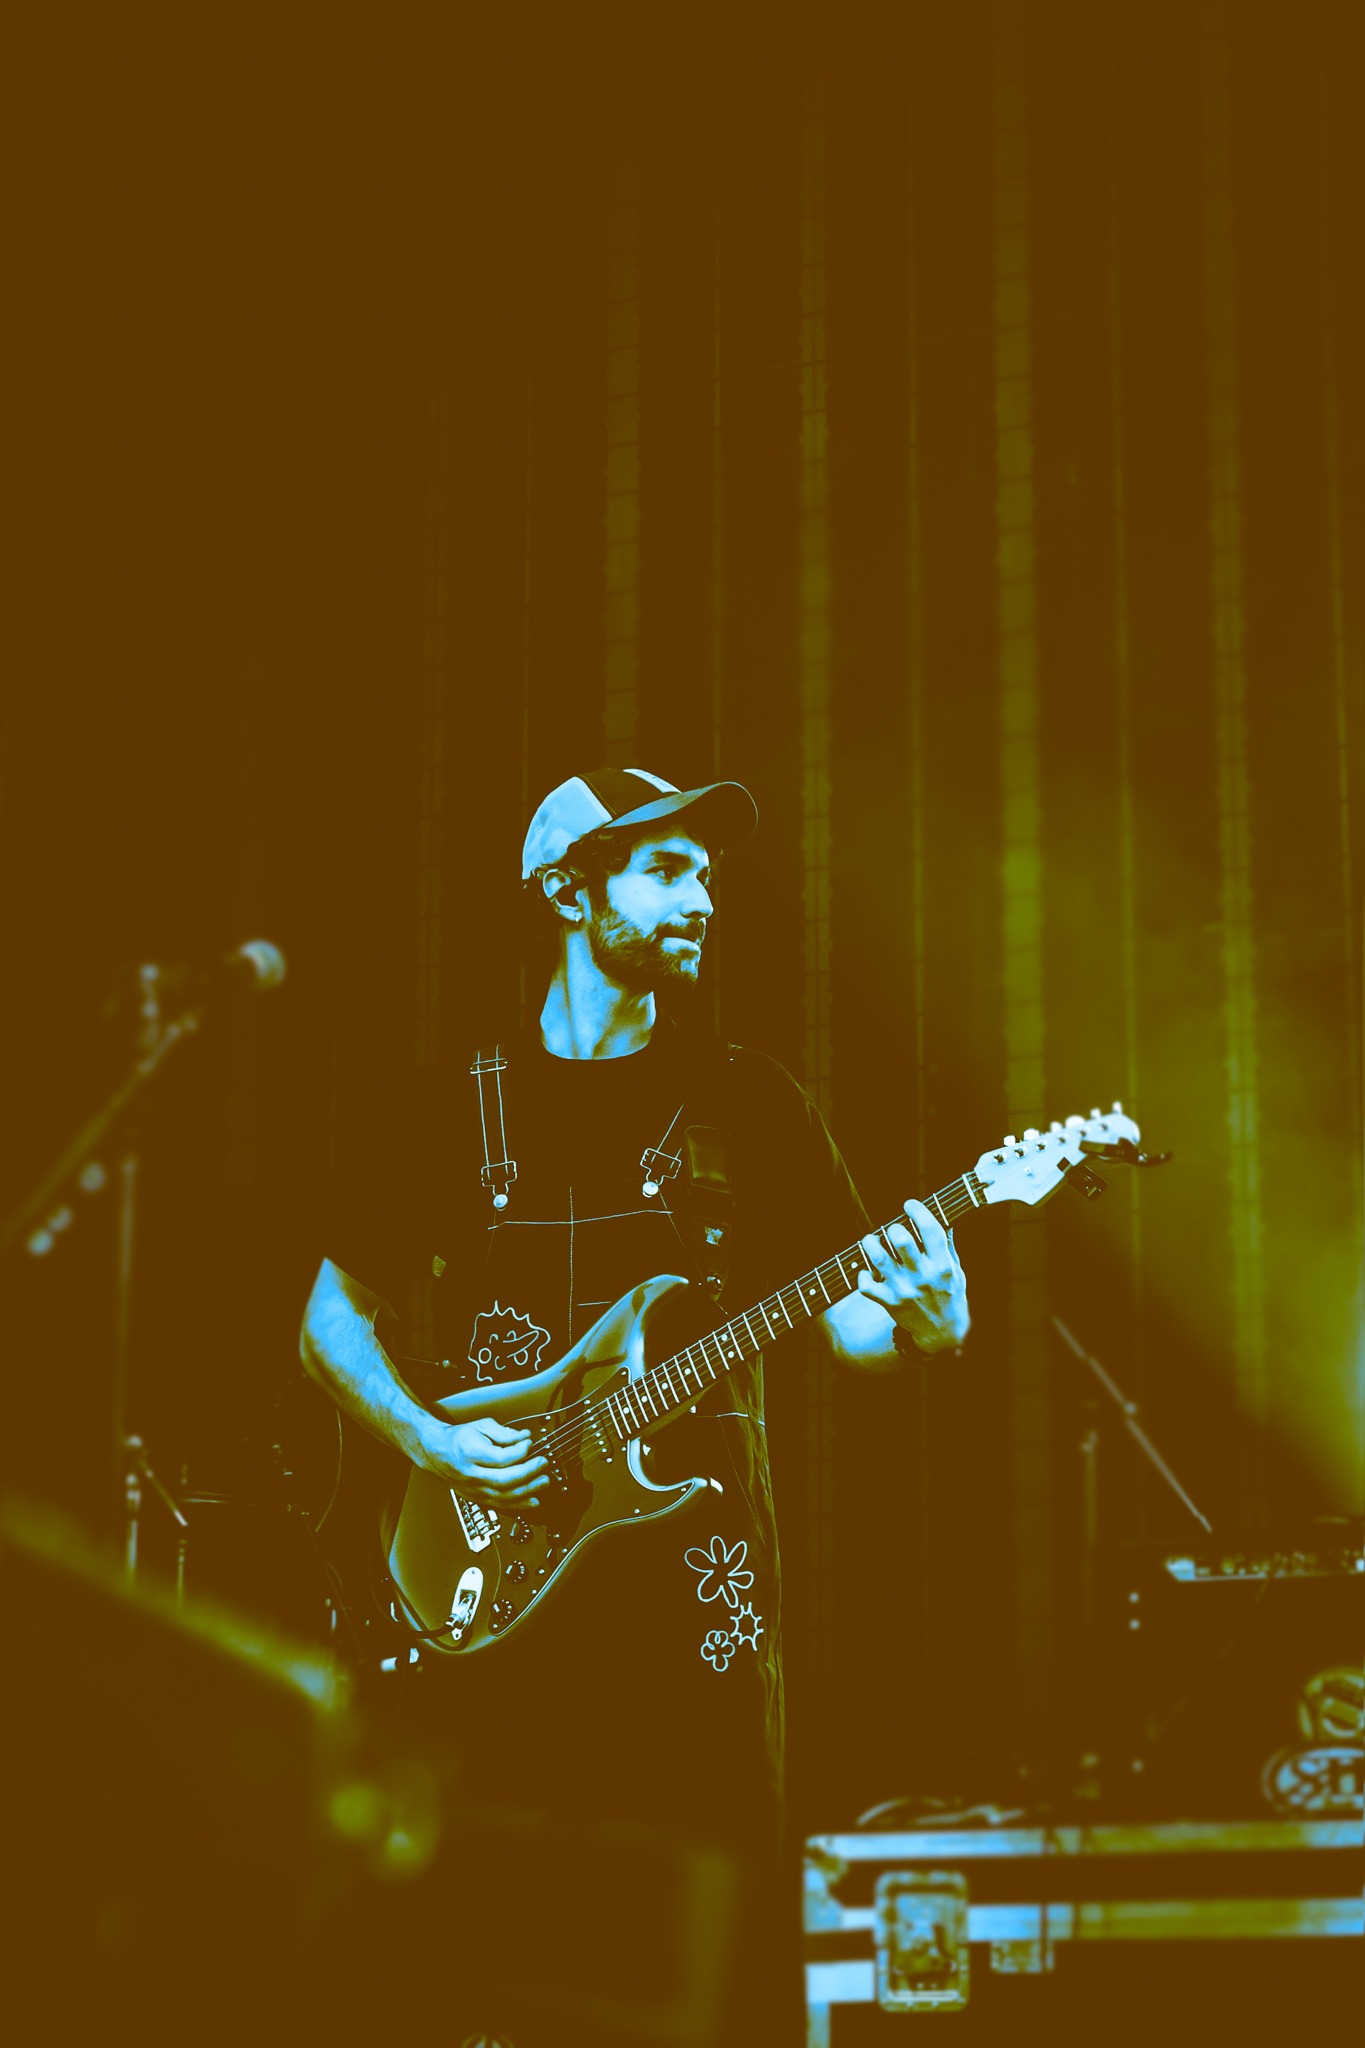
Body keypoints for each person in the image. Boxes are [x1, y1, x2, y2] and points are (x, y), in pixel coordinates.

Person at [300, 766, 970, 2042]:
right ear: (569, 892)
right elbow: (327, 1317)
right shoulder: (458, 1096)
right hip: (490, 1595)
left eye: (708, 873)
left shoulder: (748, 1097)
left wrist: (933, 1320)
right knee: (495, 1949)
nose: (705, 896)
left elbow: (854, 1324)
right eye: (666, 869)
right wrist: (431, 1435)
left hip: (693, 1609)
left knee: (702, 1958)